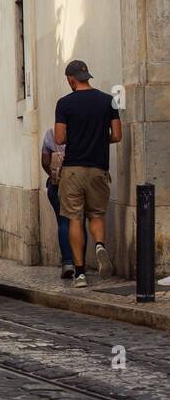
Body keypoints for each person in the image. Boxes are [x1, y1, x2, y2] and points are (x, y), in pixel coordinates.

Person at [54, 60, 121, 288]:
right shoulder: (107, 100)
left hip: (73, 169)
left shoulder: (64, 103)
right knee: (96, 214)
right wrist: (100, 138)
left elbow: (60, 138)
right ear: (87, 76)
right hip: (98, 168)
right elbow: (117, 135)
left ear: (71, 79)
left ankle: (80, 273)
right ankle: (100, 245)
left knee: (74, 217)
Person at [40, 126, 76, 279]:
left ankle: (68, 262)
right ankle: (81, 264)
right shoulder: (80, 130)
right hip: (77, 183)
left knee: (63, 223)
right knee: (78, 222)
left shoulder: (51, 133)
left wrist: (55, 176)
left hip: (57, 185)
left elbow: (44, 161)